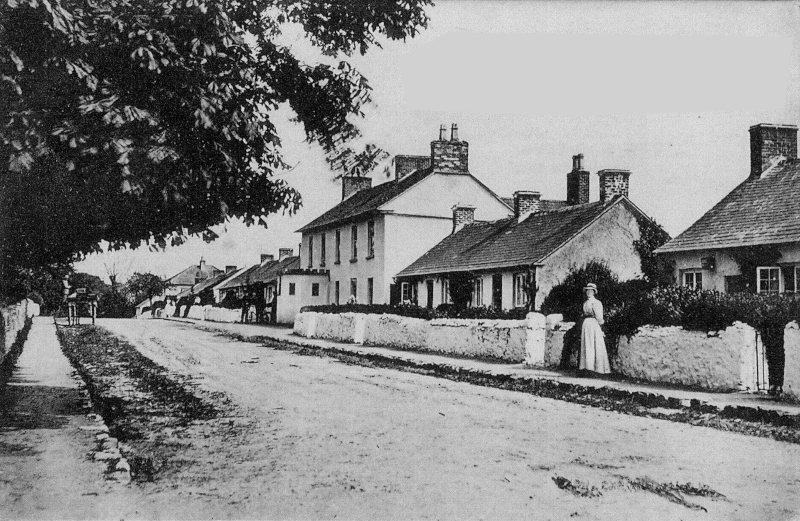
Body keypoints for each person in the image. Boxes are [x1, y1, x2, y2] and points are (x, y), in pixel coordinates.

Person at [580, 283, 611, 374]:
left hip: (591, 323)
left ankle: (593, 367)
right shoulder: (588, 303)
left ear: (594, 292)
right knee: (589, 344)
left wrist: (600, 324)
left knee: (594, 344)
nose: (588, 292)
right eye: (587, 291)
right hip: (589, 324)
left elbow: (599, 317)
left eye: (591, 291)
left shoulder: (594, 303)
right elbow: (598, 317)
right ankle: (589, 367)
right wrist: (601, 323)